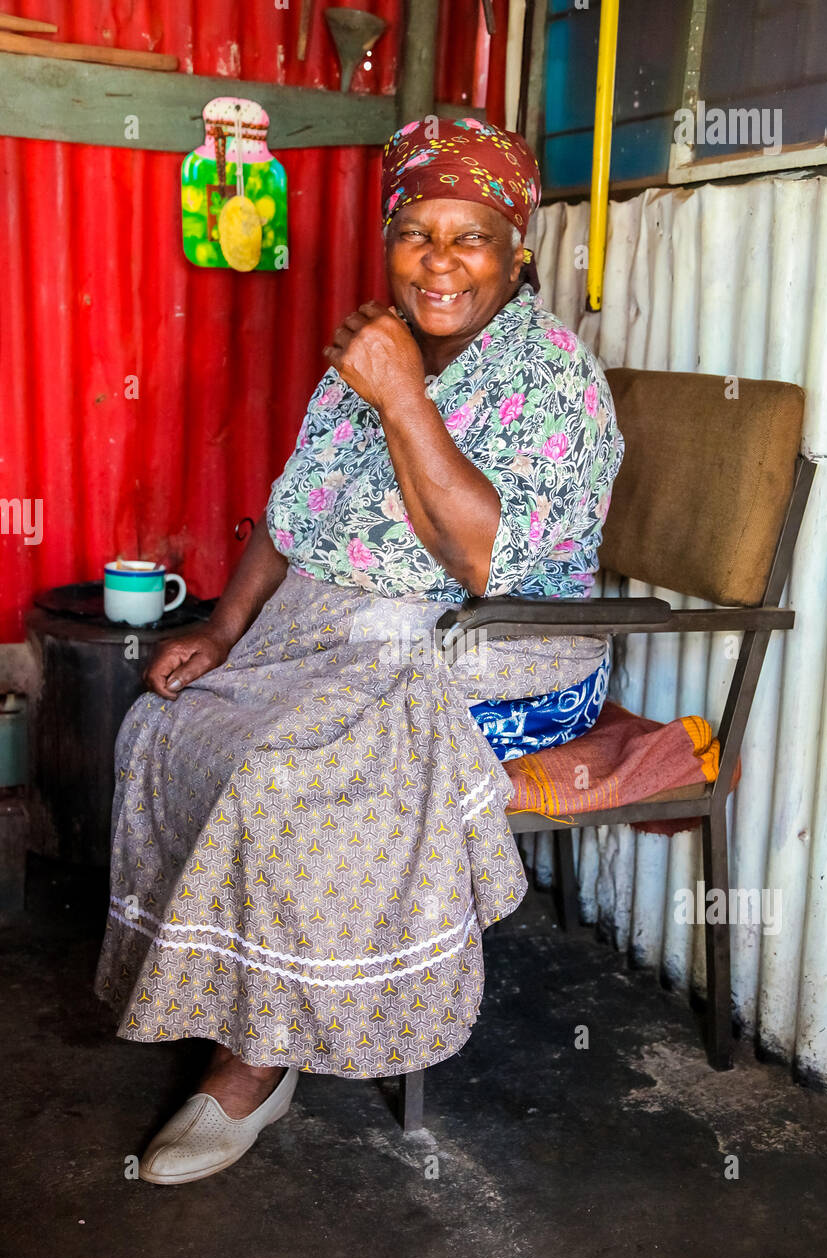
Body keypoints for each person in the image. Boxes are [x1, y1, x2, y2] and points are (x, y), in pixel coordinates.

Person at [95, 116, 624, 1184]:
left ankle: (254, 1060)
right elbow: (296, 511)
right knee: (164, 723)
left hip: (502, 653)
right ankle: (236, 994)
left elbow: (481, 561)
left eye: (470, 238)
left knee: (283, 774)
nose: (439, 262)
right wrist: (223, 628)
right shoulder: (370, 350)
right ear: (388, 242)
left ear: (515, 251)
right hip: (340, 631)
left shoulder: (553, 379)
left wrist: (402, 396)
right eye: (416, 234)